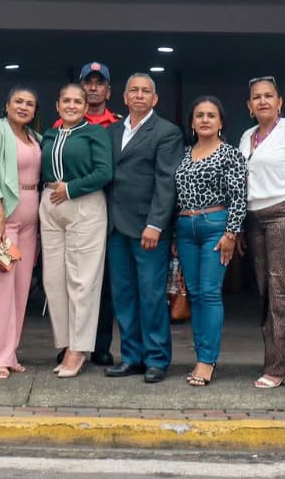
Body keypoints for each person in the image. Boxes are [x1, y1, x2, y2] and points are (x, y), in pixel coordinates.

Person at [104, 72, 183, 384]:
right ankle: (131, 357)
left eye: (145, 91)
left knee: (150, 295)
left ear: (155, 99)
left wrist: (155, 224)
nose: (139, 95)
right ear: (124, 97)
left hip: (147, 228)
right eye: (133, 90)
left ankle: (156, 359)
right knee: (123, 295)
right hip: (115, 227)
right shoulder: (112, 131)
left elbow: (166, 181)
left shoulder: (167, 132)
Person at [237, 76, 285, 389]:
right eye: (257, 97)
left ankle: (277, 367)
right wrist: (239, 225)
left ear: (280, 102)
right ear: (249, 106)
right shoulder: (247, 136)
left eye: (269, 96)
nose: (263, 101)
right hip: (254, 218)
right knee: (266, 292)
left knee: (282, 292)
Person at [39, 83, 113, 379]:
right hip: (50, 204)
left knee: (82, 279)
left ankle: (79, 349)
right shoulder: (49, 134)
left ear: (85, 107)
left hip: (83, 203)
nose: (71, 105)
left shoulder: (95, 133)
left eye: (77, 101)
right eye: (66, 100)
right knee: (53, 279)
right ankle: (65, 343)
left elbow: (104, 172)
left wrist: (71, 188)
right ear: (57, 105)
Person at [172, 95, 246, 387]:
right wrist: (175, 234)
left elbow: (239, 197)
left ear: (220, 122)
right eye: (199, 115)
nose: (205, 119)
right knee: (194, 293)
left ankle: (207, 360)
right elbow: (175, 196)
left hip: (215, 226)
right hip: (185, 227)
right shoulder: (183, 154)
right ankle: (200, 354)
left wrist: (231, 233)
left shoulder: (230, 154)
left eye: (211, 115)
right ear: (192, 122)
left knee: (209, 293)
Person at [0, 85, 42, 378]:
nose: (23, 107)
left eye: (29, 103)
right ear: (6, 105)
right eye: (18, 101)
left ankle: (10, 352)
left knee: (21, 289)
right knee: (1, 288)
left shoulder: (34, 138)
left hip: (30, 222)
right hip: (2, 220)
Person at [75, 61, 120, 366]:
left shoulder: (117, 126)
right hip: (73, 209)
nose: (93, 88)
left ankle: (100, 345)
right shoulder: (64, 123)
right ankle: (72, 345)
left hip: (109, 211)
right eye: (88, 82)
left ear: (108, 90)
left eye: (99, 83)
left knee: (104, 284)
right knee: (74, 280)